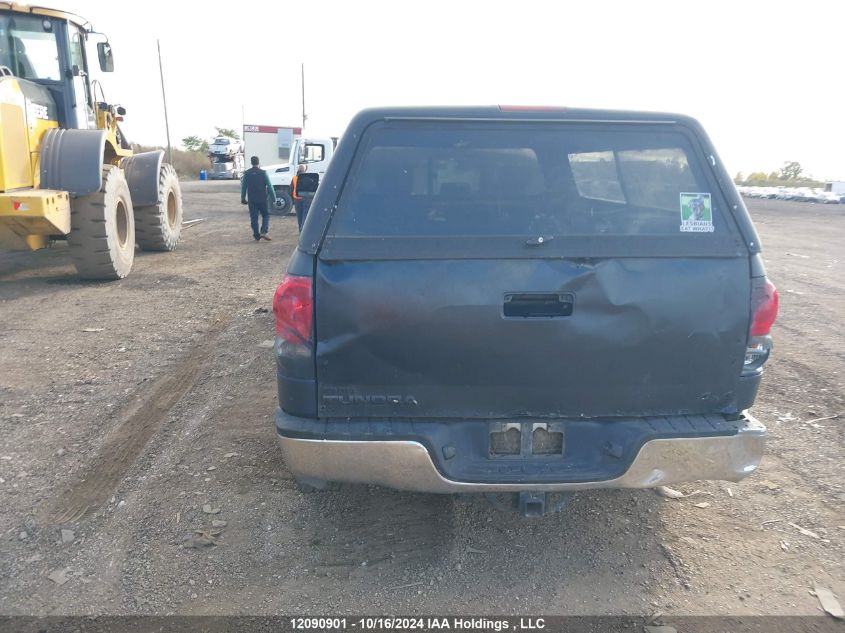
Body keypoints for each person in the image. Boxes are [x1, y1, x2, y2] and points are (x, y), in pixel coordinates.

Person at [241, 156, 277, 241]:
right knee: (266, 215)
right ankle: (264, 231)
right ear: (258, 162)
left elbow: (244, 187)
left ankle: (256, 235)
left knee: (254, 218)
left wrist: (243, 198)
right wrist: (274, 198)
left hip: (252, 200)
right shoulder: (263, 173)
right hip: (262, 199)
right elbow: (270, 187)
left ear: (251, 163)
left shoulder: (247, 173)